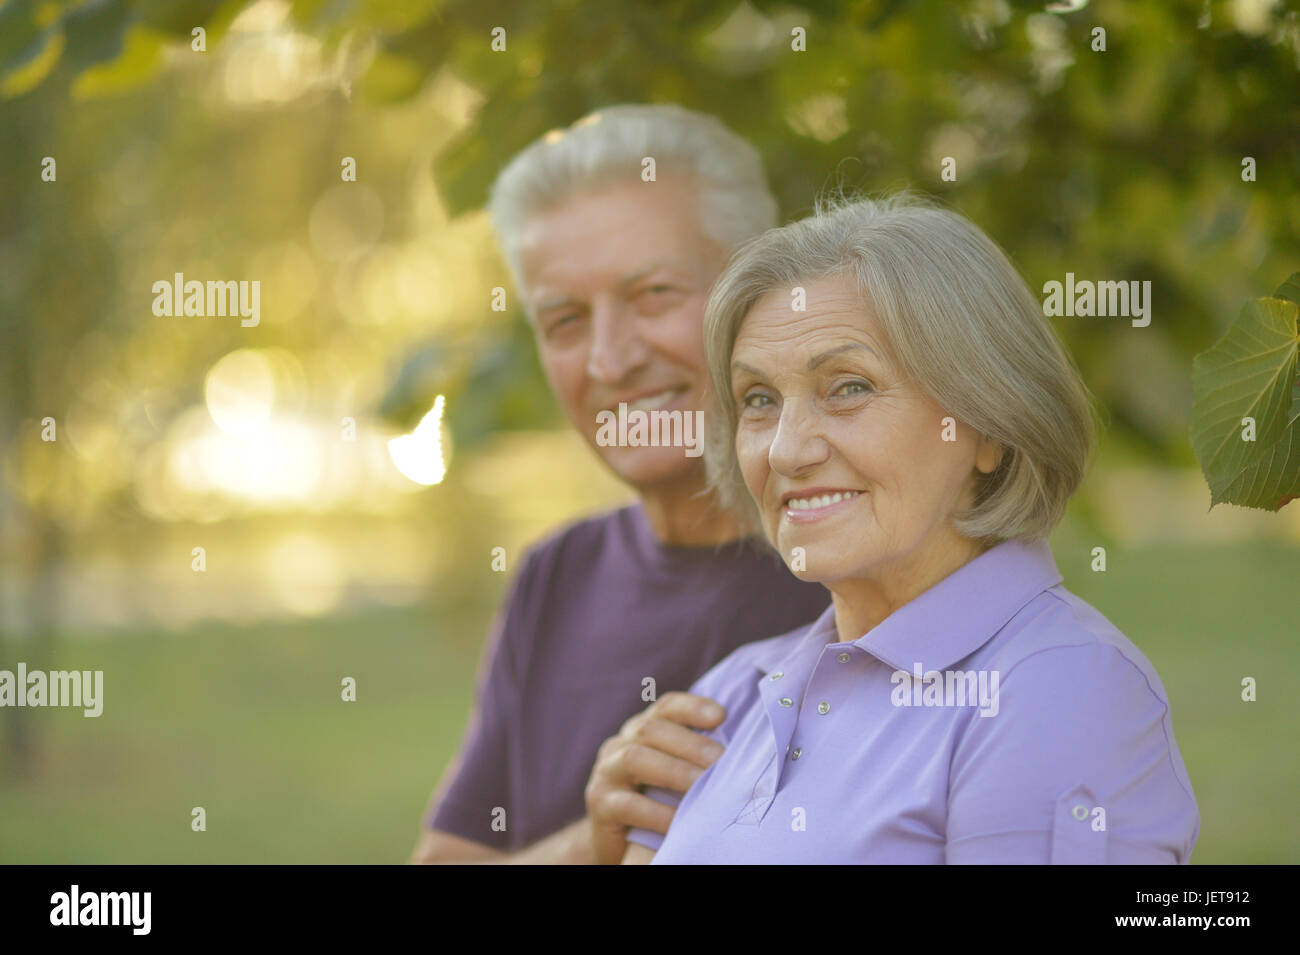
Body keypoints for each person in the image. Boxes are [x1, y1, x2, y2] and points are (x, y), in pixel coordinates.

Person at [618, 192, 1200, 863]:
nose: (785, 449)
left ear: (986, 424)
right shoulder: (731, 692)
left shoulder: (1060, 688)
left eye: (848, 387)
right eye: (759, 400)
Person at [409, 104, 830, 864]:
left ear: (760, 291)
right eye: (565, 319)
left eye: (654, 294)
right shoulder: (559, 573)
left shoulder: (856, 563)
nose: (610, 359)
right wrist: (594, 844)